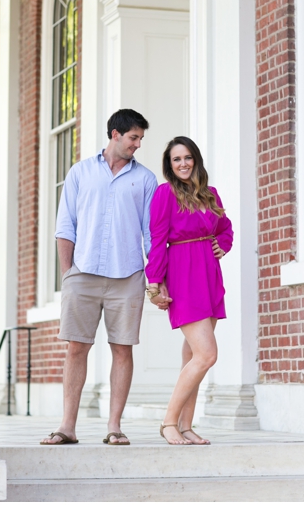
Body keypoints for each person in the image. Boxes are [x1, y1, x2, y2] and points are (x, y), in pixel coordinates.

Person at [40, 109, 158, 446]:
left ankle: (114, 426)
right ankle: (67, 427)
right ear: (115, 134)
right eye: (134, 137)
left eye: (140, 139)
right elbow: (65, 226)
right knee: (76, 349)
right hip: (83, 274)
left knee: (123, 350)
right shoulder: (80, 173)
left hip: (128, 275)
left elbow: (151, 234)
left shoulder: (146, 180)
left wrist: (155, 277)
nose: (137, 144)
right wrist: (69, 275)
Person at [145, 136, 233, 446]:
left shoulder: (210, 194)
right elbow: (157, 240)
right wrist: (154, 283)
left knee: (194, 357)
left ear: (195, 159)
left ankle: (186, 425)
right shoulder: (164, 194)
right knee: (207, 354)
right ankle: (169, 422)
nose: (182, 163)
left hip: (209, 274)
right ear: (170, 165)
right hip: (182, 273)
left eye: (187, 157)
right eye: (176, 159)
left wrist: (221, 245)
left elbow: (225, 228)